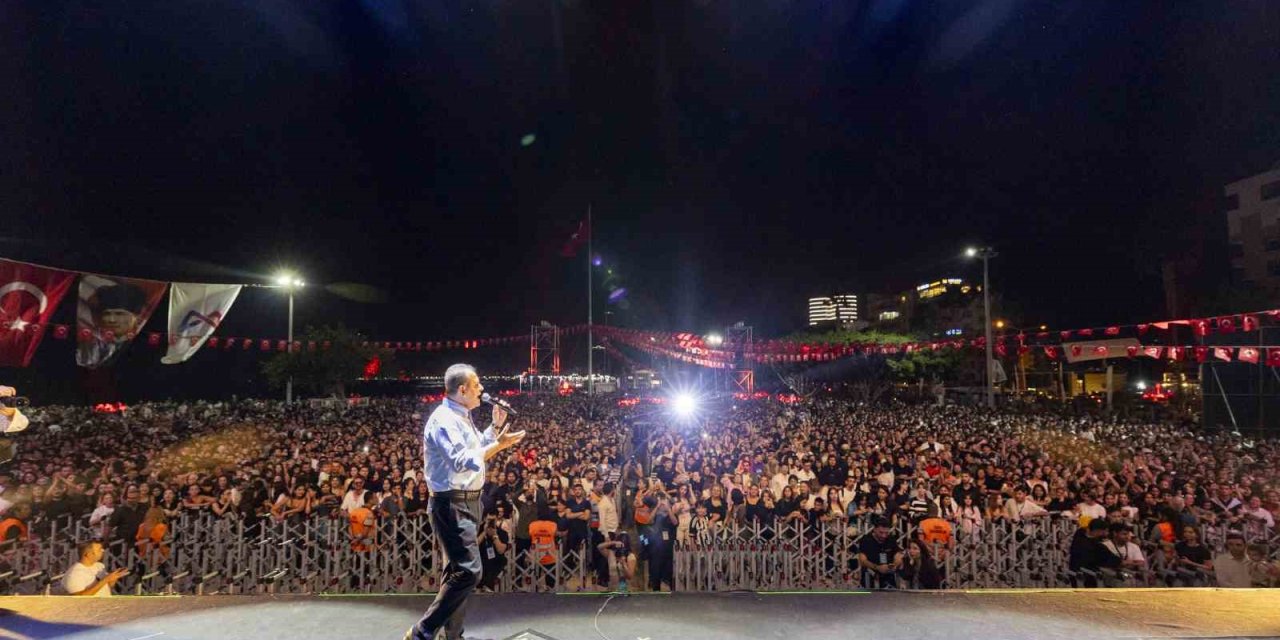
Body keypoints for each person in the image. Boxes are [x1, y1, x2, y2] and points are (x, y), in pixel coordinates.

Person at [406, 364, 524, 640]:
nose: (482, 389)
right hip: (451, 504)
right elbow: (462, 462)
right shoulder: (444, 420)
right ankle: (422, 632)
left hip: (468, 502)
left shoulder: (462, 416)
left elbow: (474, 448)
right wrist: (500, 445)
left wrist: (495, 428)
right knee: (470, 572)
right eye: (477, 384)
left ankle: (453, 635)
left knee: (457, 574)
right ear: (462, 389)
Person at [63, 541, 128, 597]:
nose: (103, 551)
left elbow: (106, 587)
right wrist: (105, 580)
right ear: (89, 554)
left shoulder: (99, 566)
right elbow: (77, 598)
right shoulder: (75, 574)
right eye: (99, 549)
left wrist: (113, 579)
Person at [855, 517, 902, 589]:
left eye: (886, 533)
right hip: (871, 575)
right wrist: (877, 567)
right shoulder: (866, 540)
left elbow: (898, 555)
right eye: (881, 532)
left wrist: (894, 565)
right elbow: (862, 560)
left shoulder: (891, 539)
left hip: (889, 575)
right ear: (874, 529)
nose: (884, 536)